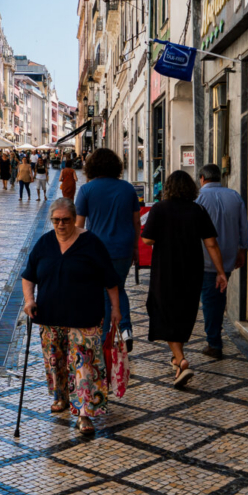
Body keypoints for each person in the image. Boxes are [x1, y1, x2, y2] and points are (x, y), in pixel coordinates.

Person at [22, 197, 123, 434]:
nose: (60, 225)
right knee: (55, 361)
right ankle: (61, 396)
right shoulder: (45, 244)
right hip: (49, 316)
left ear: (74, 218)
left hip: (85, 317)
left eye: (65, 220)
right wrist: (29, 300)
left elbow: (111, 281)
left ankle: (84, 413)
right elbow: (28, 277)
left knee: (84, 365)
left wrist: (116, 310)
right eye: (56, 220)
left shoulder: (91, 243)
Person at [141, 171, 230, 386]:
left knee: (164, 312)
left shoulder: (160, 209)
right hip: (192, 270)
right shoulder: (197, 210)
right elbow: (211, 244)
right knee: (183, 312)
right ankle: (176, 360)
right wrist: (220, 272)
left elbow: (147, 240)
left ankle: (181, 360)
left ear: (169, 187)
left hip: (166, 270)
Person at [73, 147, 141, 350]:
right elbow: (136, 221)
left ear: (92, 166)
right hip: (124, 248)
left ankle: (104, 336)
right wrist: (135, 248)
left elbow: (79, 225)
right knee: (118, 287)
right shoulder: (128, 188)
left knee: (103, 291)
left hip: (98, 250)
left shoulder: (87, 190)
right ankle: (126, 331)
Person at [195, 163, 248, 359]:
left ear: (202, 178)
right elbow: (244, 227)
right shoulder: (234, 196)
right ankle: (214, 338)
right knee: (216, 298)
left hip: (206, 259)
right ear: (220, 178)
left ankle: (214, 343)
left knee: (211, 300)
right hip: (228, 257)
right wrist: (242, 250)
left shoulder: (199, 198)